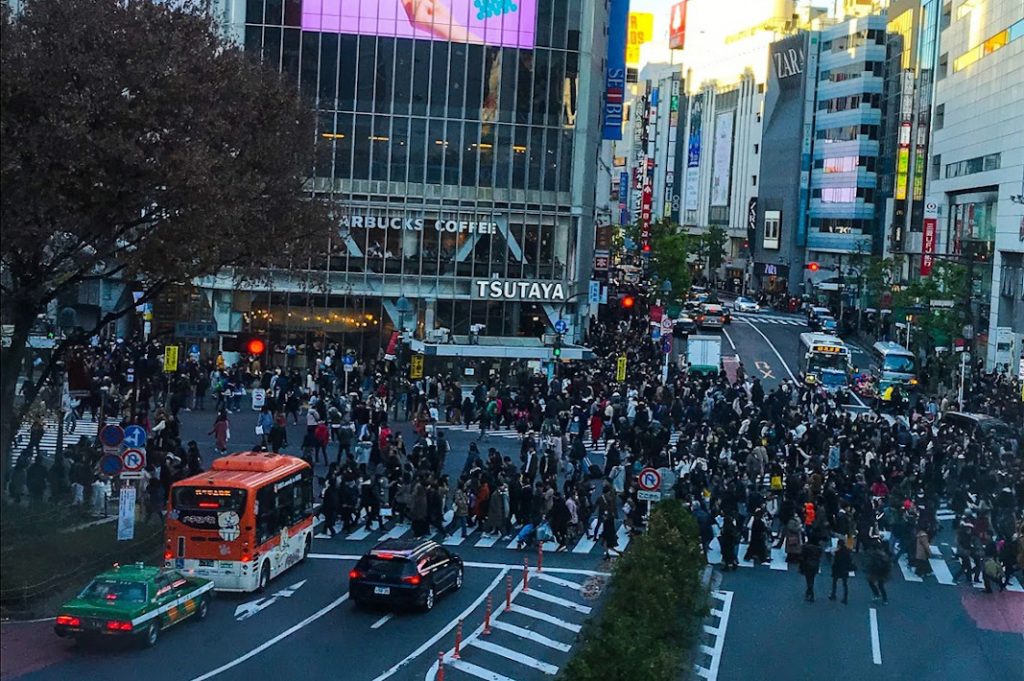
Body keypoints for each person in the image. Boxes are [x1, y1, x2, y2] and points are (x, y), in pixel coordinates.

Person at [800, 534, 823, 602]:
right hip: (815, 565)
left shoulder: (806, 547)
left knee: (808, 579)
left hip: (807, 564)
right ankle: (809, 592)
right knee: (812, 578)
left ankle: (810, 593)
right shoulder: (819, 548)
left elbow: (802, 555)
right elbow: (820, 556)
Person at [829, 540, 853, 604]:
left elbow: (835, 561)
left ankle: (833, 595)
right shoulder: (847, 551)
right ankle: (845, 598)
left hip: (837, 569)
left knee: (834, 582)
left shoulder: (837, 552)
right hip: (845, 569)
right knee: (845, 584)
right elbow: (849, 560)